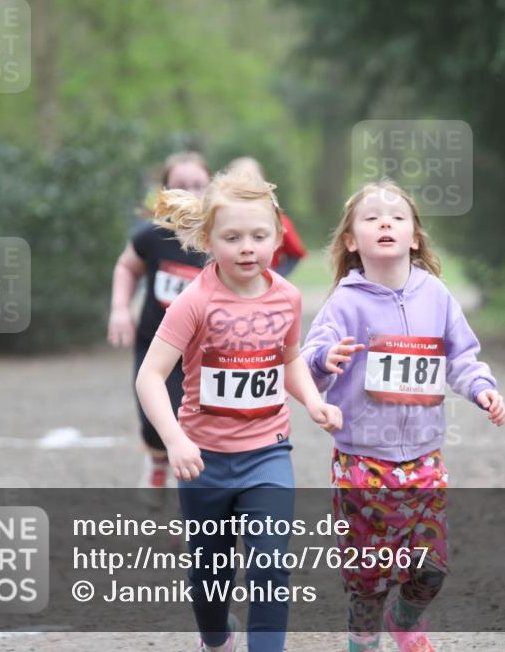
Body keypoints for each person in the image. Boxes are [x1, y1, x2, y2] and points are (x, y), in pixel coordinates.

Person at [135, 165, 343, 652]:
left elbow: (288, 358)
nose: (247, 247)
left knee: (270, 563)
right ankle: (216, 638)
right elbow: (150, 376)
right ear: (209, 240)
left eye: (258, 235)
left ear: (277, 238)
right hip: (202, 460)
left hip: (267, 455)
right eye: (232, 237)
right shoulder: (195, 301)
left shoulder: (287, 298)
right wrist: (176, 440)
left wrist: (314, 400)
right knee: (210, 574)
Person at [301, 179, 505, 652]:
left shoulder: (435, 295)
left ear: (415, 236)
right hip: (360, 463)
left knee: (431, 569)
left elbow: (462, 357)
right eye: (371, 217)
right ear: (352, 241)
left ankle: (406, 621)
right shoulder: (345, 302)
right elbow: (310, 362)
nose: (385, 222)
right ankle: (363, 638)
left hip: (424, 460)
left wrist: (482, 388)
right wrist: (323, 359)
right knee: (366, 575)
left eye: (397, 217)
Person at [108, 152, 211, 497]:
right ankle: (155, 460)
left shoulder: (221, 239)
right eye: (181, 186)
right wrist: (120, 308)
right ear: (165, 192)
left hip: (205, 351)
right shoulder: (152, 236)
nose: (190, 192)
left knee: (195, 421)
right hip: (156, 342)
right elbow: (127, 267)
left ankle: (194, 499)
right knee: (154, 419)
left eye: (198, 185)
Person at [224, 156, 307, 277]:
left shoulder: (278, 220)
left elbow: (296, 254)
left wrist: (276, 276)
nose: (246, 185)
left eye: (252, 179)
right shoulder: (218, 221)